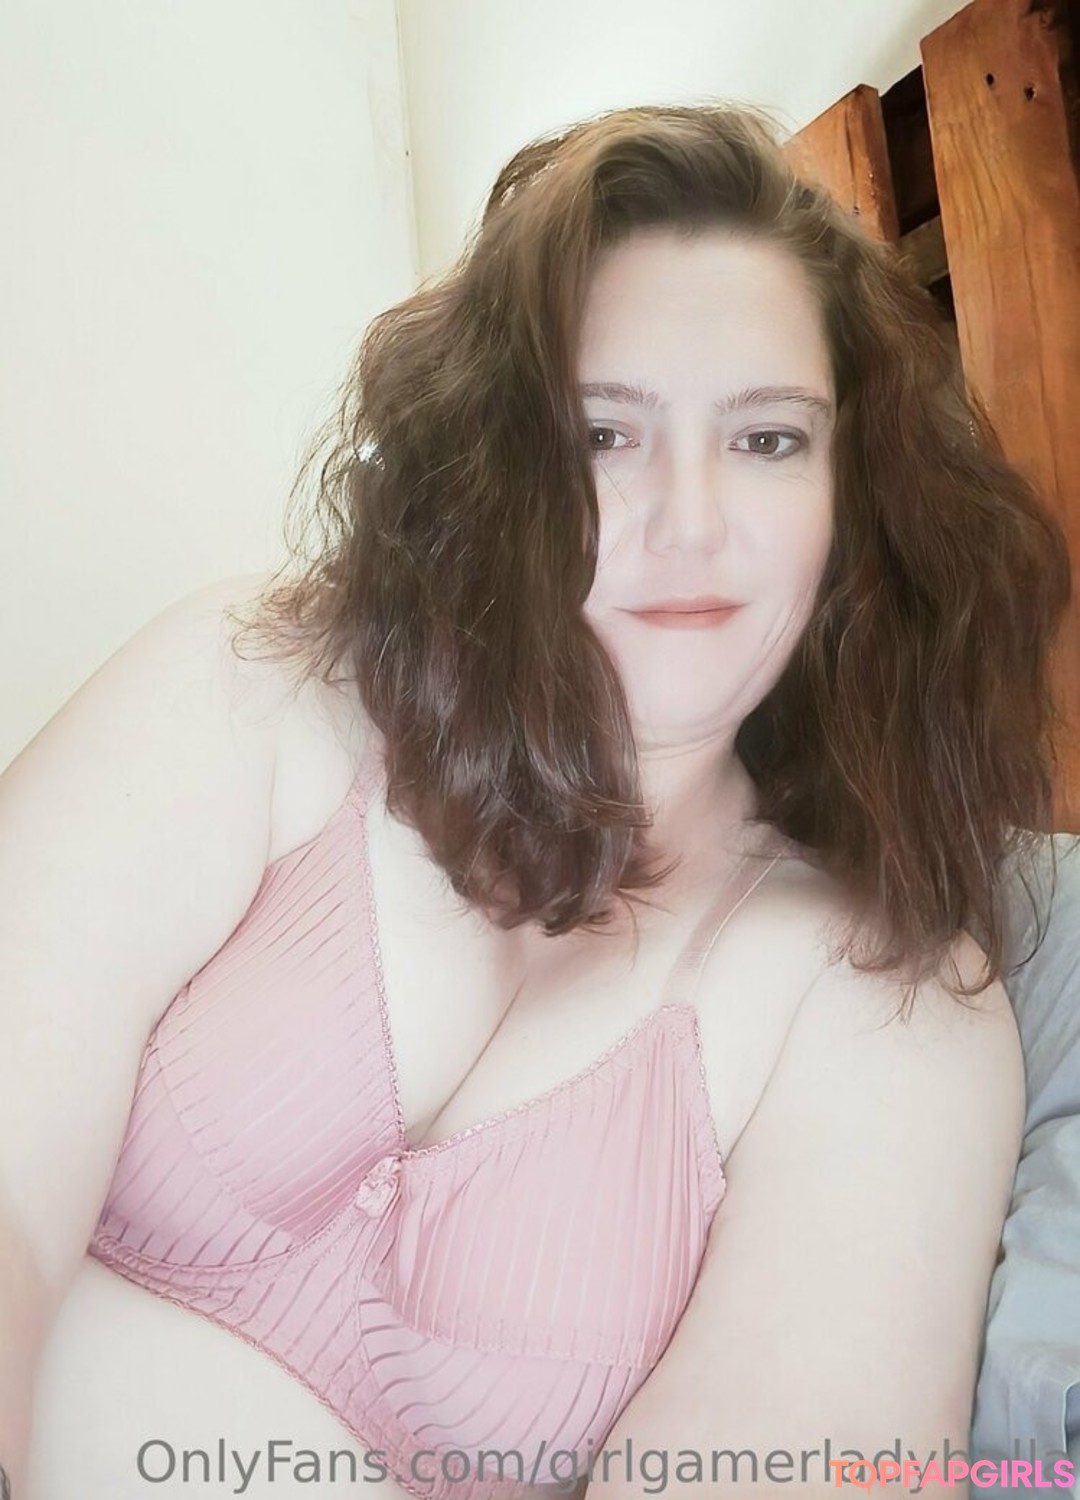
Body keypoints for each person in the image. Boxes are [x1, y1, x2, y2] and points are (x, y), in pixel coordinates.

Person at [2, 103, 1072, 1500]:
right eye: (606, 431)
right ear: (502, 461)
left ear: (854, 497)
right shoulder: (256, 678)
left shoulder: (894, 1004)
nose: (689, 518)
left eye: (767, 439)